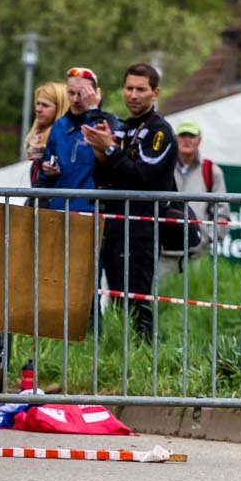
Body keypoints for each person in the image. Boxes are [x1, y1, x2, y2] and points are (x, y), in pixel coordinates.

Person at [83, 63, 177, 340]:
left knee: (137, 300)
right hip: (114, 223)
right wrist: (101, 154)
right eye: (129, 88)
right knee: (116, 297)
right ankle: (117, 354)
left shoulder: (160, 131)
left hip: (142, 227)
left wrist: (110, 149)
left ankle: (144, 356)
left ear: (155, 93)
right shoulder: (124, 127)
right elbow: (104, 179)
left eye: (141, 89)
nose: (133, 95)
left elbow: (141, 177)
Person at [37, 67, 120, 212]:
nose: (75, 99)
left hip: (91, 213)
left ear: (95, 93)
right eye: (71, 93)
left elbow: (115, 163)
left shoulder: (108, 122)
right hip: (58, 210)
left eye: (82, 94)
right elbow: (44, 176)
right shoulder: (59, 126)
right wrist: (46, 169)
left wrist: (94, 109)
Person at [158, 121, 230, 278]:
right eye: (183, 135)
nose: (187, 140)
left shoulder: (211, 171)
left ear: (199, 140)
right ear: (175, 138)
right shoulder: (161, 166)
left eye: (191, 135)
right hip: (163, 255)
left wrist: (205, 238)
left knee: (196, 300)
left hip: (196, 255)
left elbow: (222, 211)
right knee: (158, 300)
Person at [23, 82, 69, 185]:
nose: (38, 109)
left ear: (60, 109)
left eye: (45, 105)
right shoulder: (38, 138)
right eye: (37, 104)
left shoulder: (65, 139)